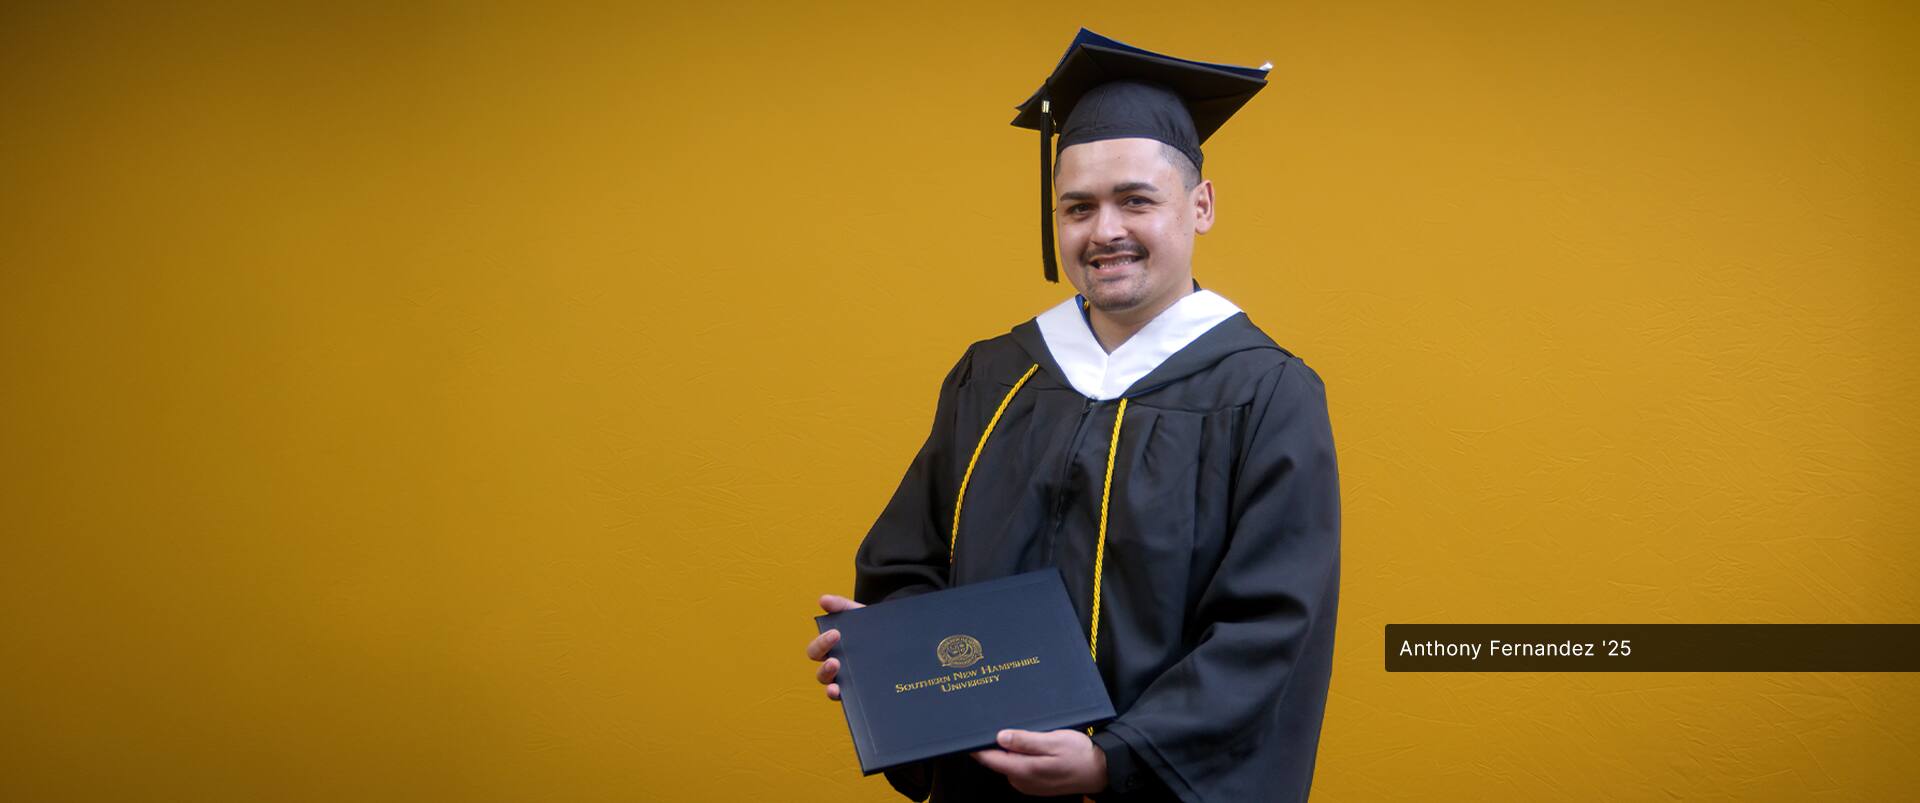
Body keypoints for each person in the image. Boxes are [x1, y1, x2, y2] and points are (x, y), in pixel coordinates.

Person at [805, 29, 1340, 802]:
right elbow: (908, 560)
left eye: (1136, 200)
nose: (1105, 231)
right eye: (1078, 206)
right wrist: (894, 661)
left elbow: (1269, 633)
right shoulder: (995, 375)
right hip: (983, 783)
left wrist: (1112, 758)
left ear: (1201, 204)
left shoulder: (1267, 394)